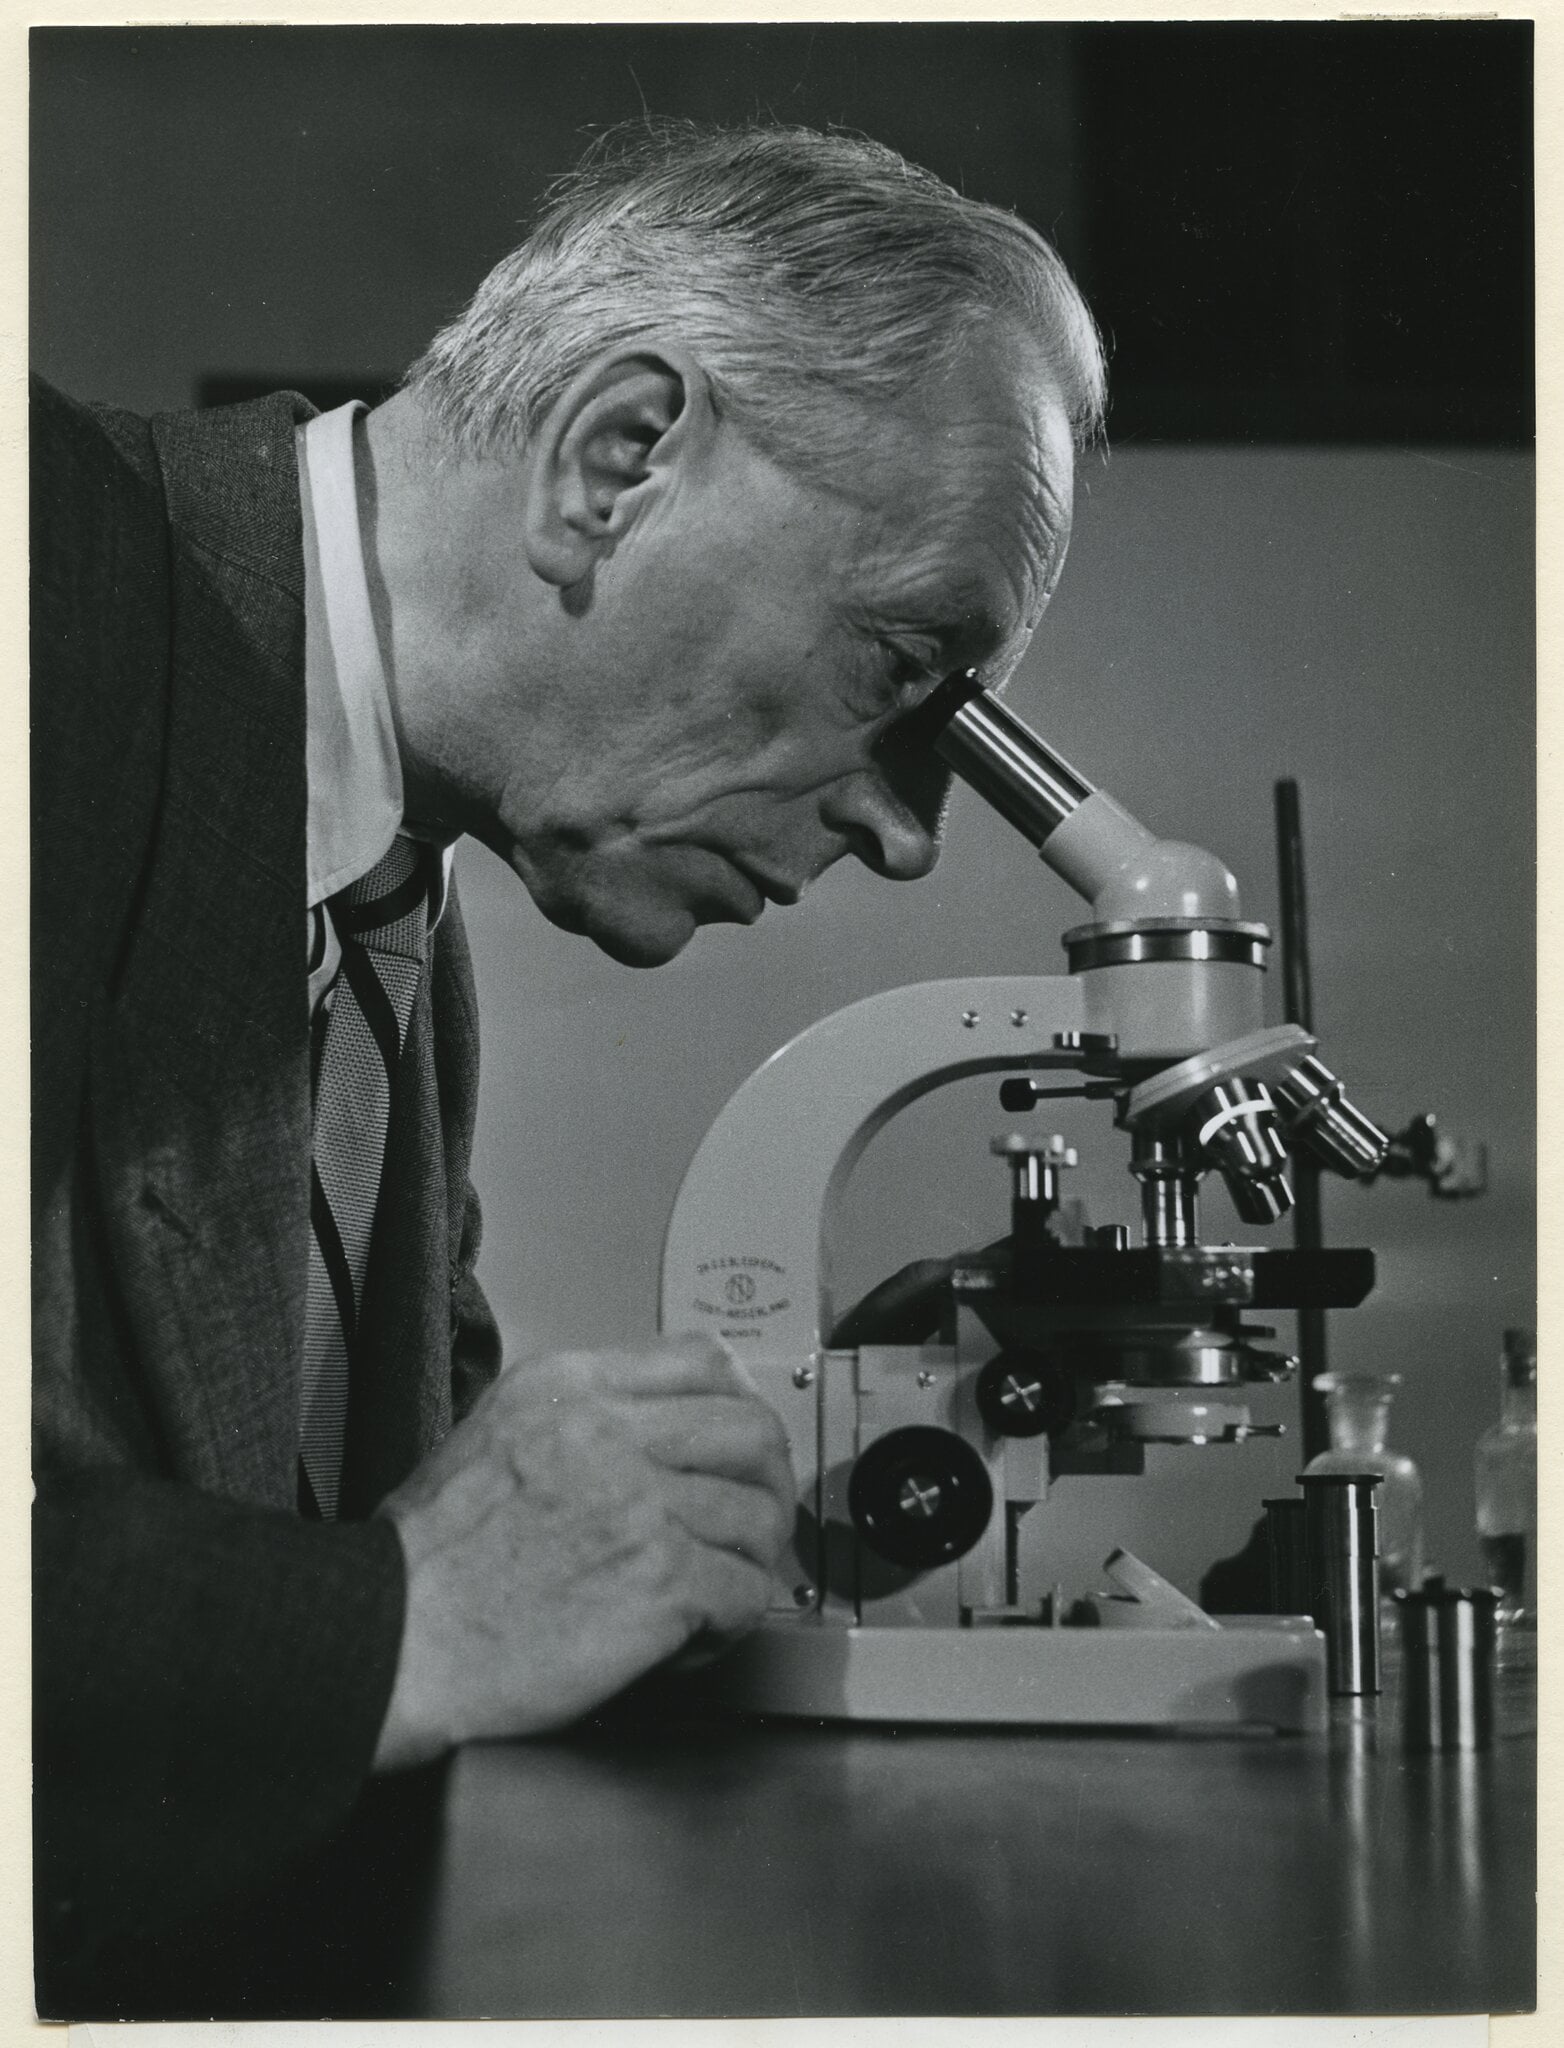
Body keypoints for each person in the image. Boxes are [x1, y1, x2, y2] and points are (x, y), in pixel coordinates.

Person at [32, 119, 1106, 2005]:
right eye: (905, 670)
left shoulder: (390, 912)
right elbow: (400, 1604)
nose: (915, 829)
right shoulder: (36, 580)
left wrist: (679, 1563)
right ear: (619, 462)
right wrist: (385, 1621)